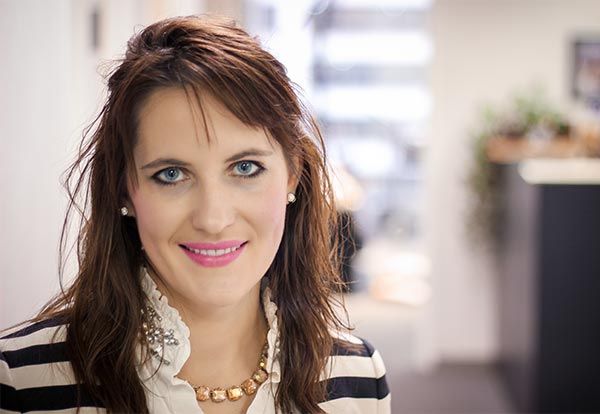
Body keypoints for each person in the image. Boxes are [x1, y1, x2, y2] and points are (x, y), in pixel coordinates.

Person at [0, 15, 390, 413]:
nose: (213, 218)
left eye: (245, 168)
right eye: (171, 175)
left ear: (292, 175)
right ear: (125, 191)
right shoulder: (20, 383)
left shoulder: (357, 376)